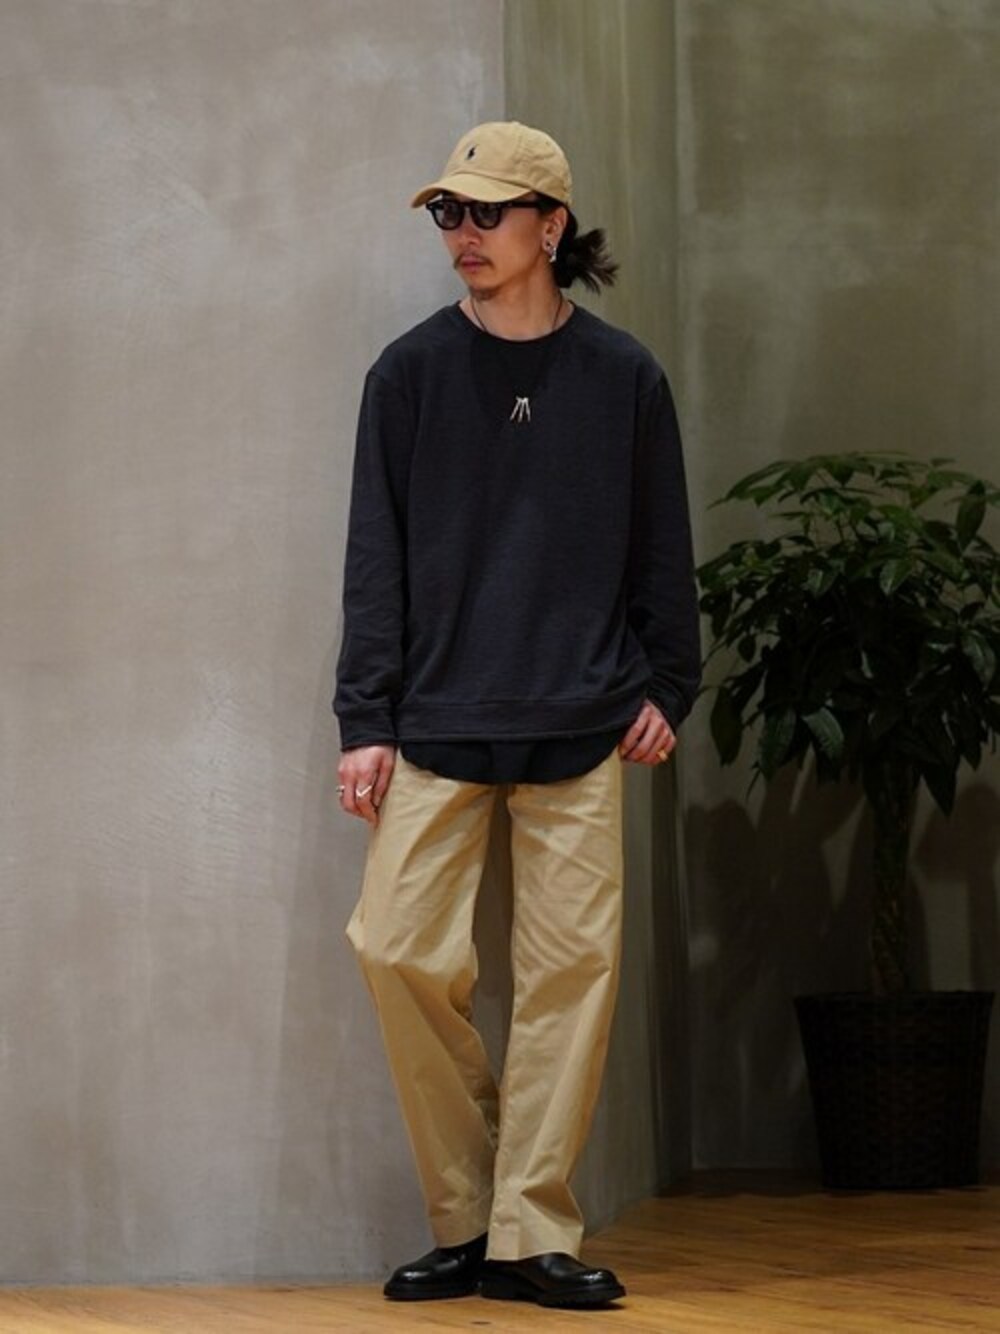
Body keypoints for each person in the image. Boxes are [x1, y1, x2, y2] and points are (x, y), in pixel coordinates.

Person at [333, 120, 700, 1311]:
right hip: (436, 716)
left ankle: (529, 1229)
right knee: (394, 948)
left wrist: (667, 684)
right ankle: (469, 1215)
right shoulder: (408, 374)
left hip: (583, 716)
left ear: (552, 225)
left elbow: (662, 545)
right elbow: (374, 556)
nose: (463, 233)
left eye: (487, 212)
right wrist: (363, 716)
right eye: (449, 211)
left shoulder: (625, 378)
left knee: (567, 980)